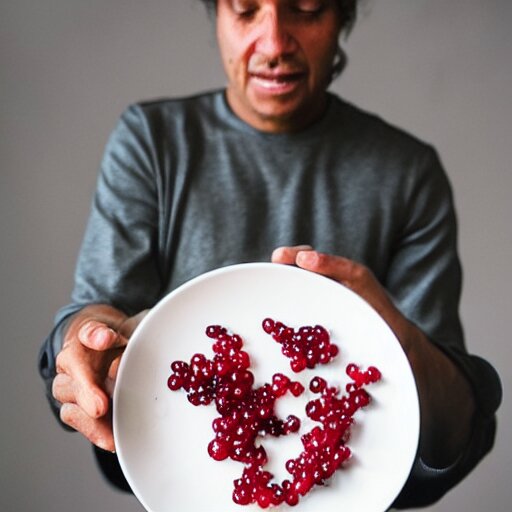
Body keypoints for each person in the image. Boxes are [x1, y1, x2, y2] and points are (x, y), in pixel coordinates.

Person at [39, 0, 501, 509]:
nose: (275, 42)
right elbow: (97, 311)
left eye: (306, 8)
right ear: (216, 15)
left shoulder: (408, 173)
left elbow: (454, 429)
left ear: (342, 16)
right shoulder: (152, 140)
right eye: (244, 10)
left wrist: (403, 342)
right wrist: (88, 338)